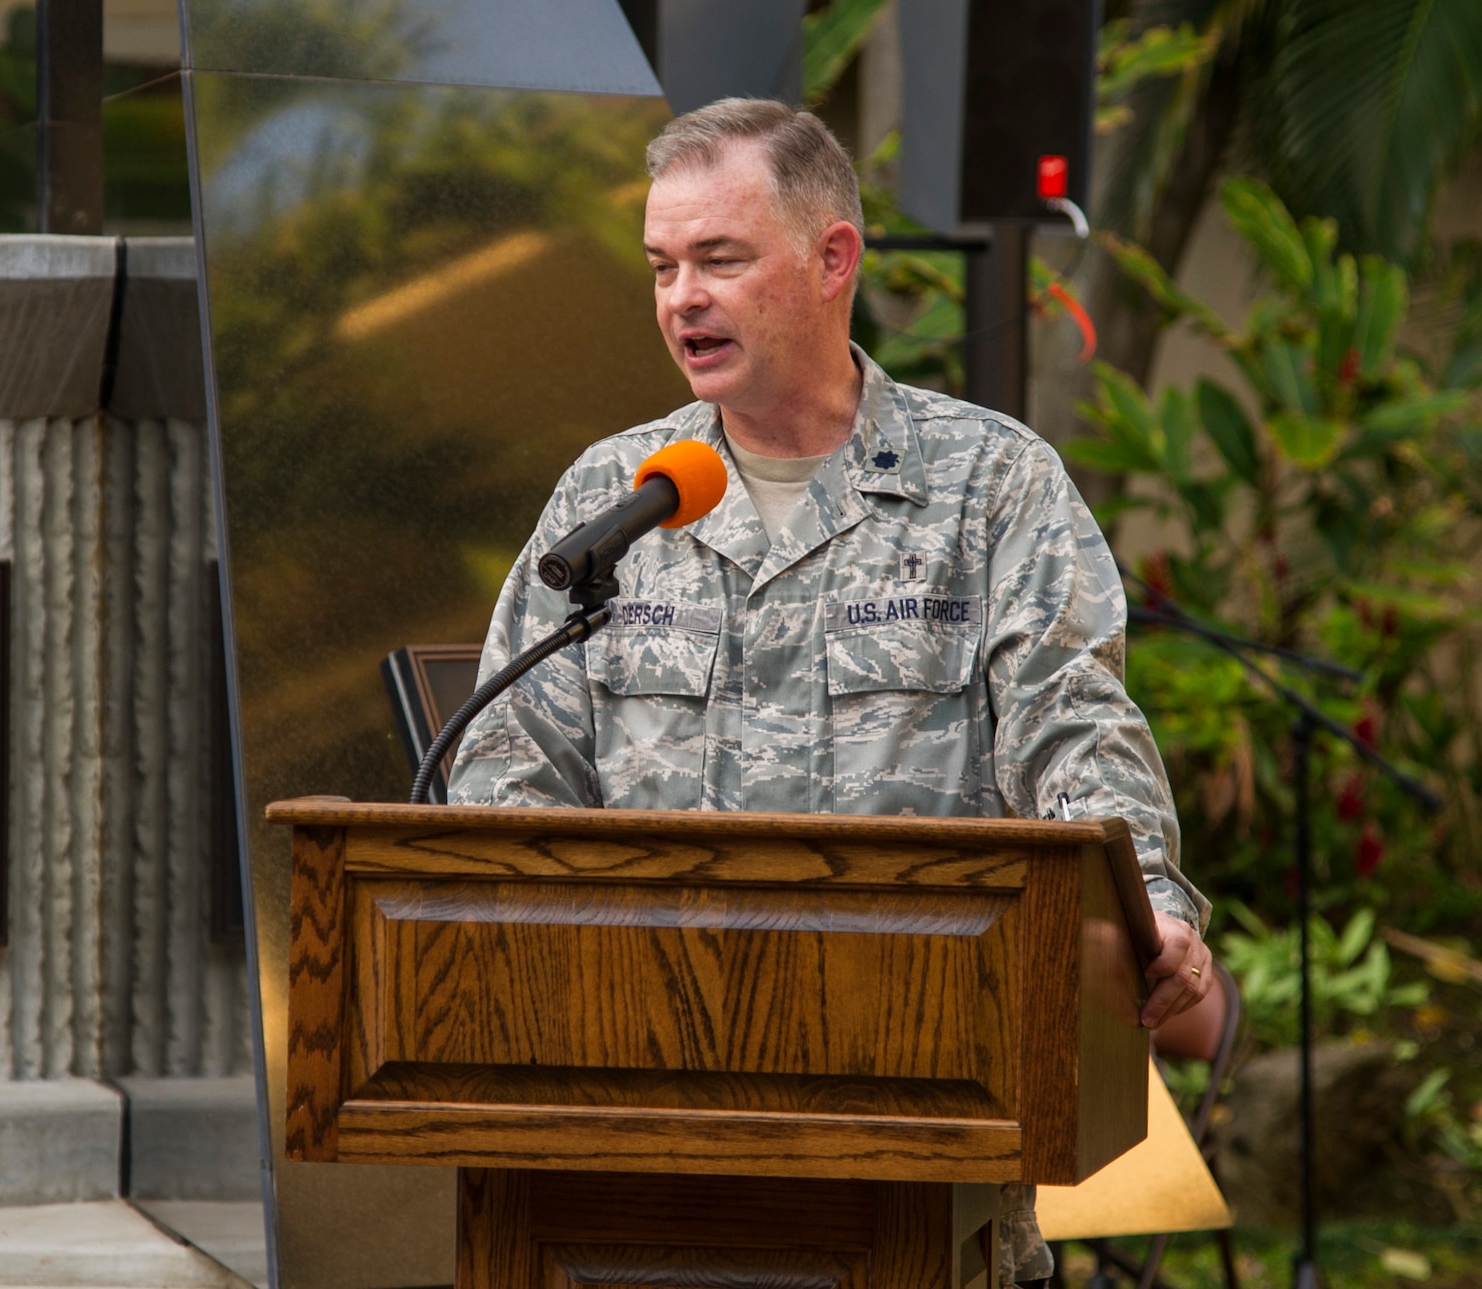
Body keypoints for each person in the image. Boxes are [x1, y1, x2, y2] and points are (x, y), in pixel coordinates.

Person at [445, 97, 1214, 1286]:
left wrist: (1147, 905)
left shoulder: (987, 485)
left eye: (718, 258)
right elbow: (502, 763)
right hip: (629, 1136)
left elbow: (1074, 722)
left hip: (919, 1115)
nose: (679, 298)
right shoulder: (613, 495)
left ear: (830, 258)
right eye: (660, 267)